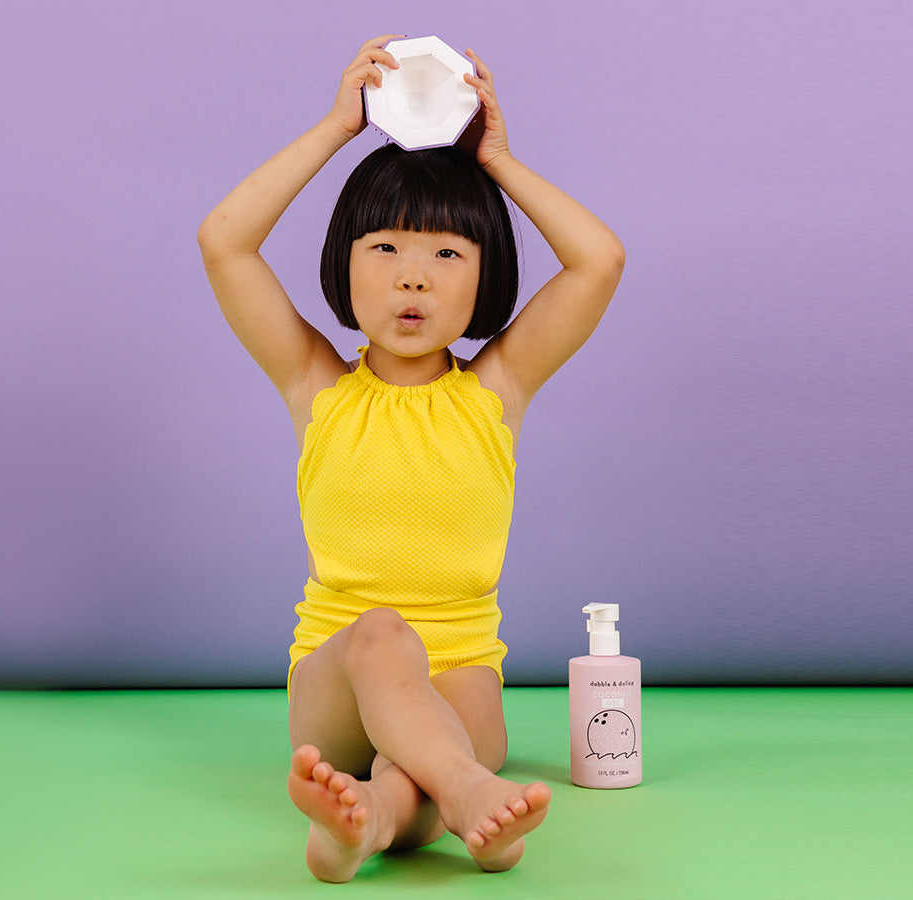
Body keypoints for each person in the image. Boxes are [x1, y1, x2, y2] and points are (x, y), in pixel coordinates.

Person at [195, 35, 625, 881]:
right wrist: (336, 128)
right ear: (345, 266)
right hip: (336, 685)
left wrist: (495, 158)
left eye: (446, 255)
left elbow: (598, 259)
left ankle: (363, 827)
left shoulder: (496, 388)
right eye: (385, 249)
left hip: (464, 677)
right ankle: (467, 794)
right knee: (384, 637)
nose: (413, 279)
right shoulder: (315, 384)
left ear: (484, 277)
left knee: (415, 760)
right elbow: (224, 241)